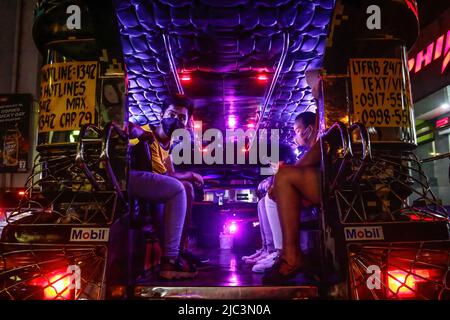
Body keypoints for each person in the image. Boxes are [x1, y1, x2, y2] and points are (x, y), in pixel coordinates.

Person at [128, 94, 204, 280]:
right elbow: (126, 127)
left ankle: (176, 251)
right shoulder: (146, 132)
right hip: (135, 184)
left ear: (186, 124)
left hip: (156, 191)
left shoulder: (167, 146)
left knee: (186, 187)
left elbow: (169, 174)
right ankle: (171, 257)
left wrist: (188, 177)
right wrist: (133, 129)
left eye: (181, 118)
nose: (175, 120)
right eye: (171, 114)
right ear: (162, 114)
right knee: (182, 187)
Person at [262, 110, 321, 284]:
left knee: (284, 176)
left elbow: (321, 148)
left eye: (297, 130)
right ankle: (277, 251)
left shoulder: (320, 133)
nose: (296, 136)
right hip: (322, 182)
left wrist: (286, 172)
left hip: (333, 183)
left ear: (309, 130)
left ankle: (288, 254)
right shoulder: (308, 148)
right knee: (279, 180)